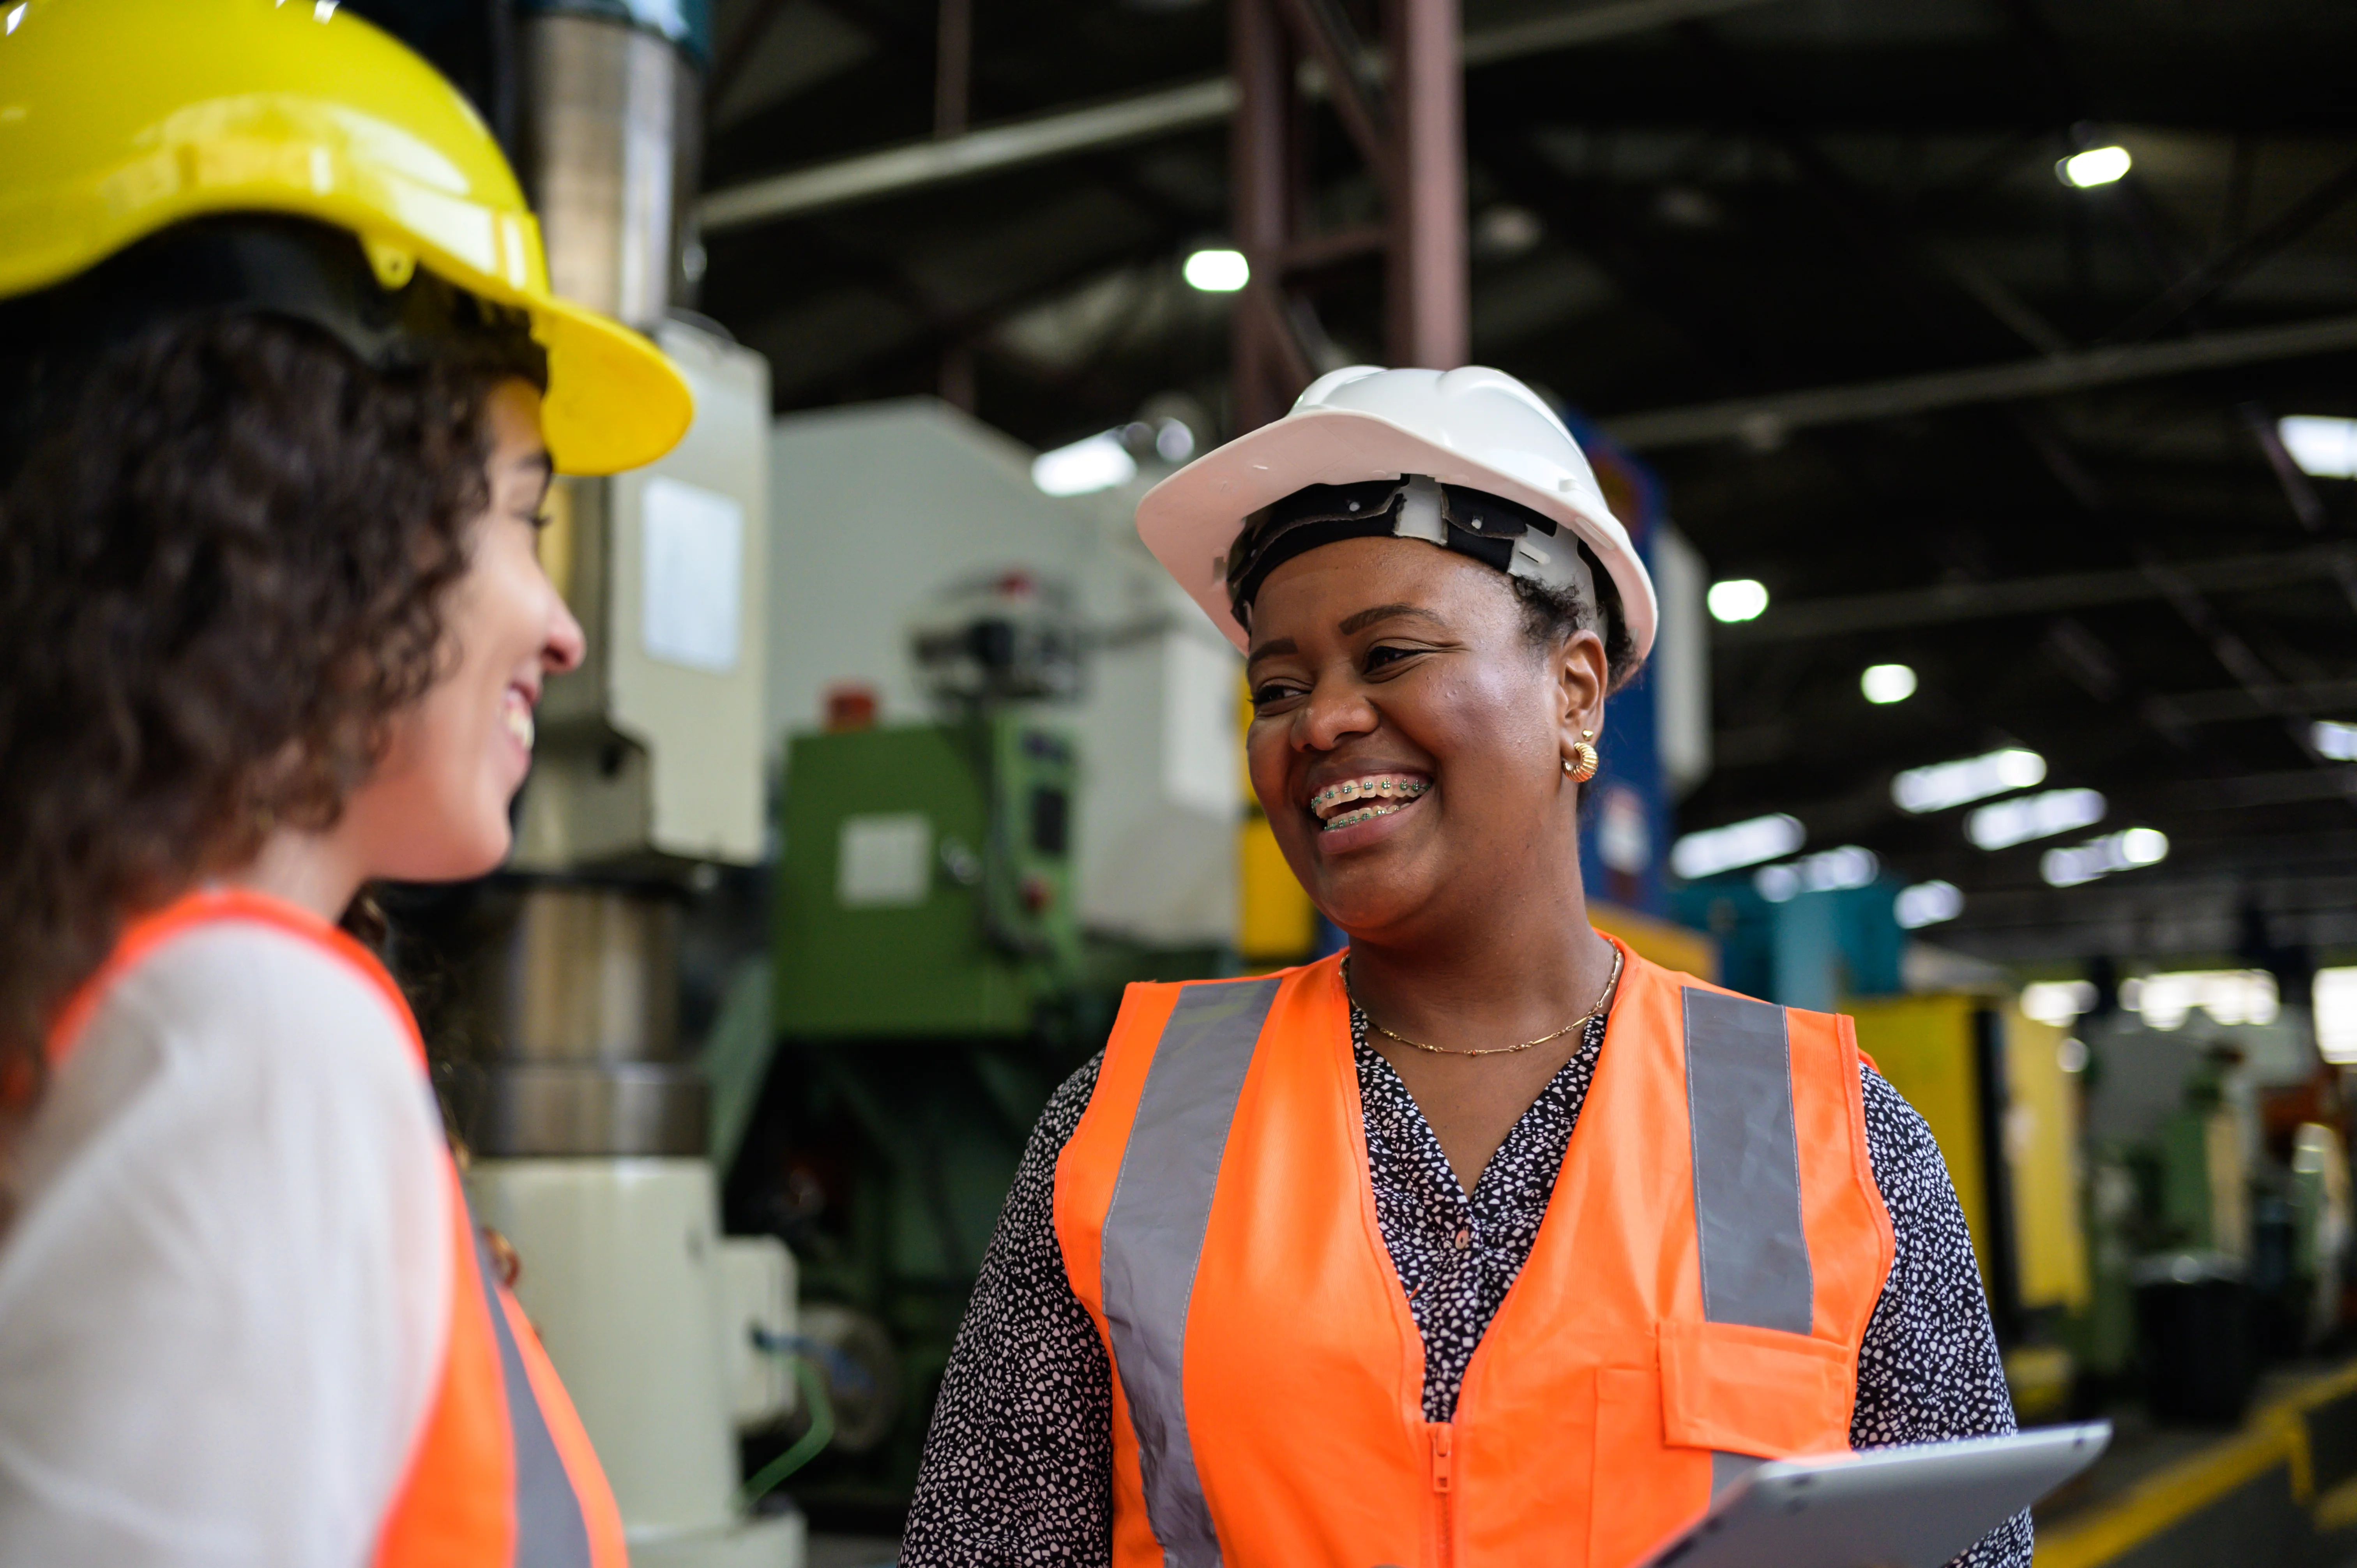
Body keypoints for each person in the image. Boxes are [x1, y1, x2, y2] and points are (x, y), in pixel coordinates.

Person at [902, 365, 2028, 1568]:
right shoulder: (1128, 1123)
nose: (1320, 721)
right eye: (1277, 687)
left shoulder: (1831, 1137)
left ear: (1574, 692)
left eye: (1390, 655)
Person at [0, 3, 690, 1563]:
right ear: (301, 501)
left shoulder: (111, 1015)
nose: (562, 625)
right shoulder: (246, 1038)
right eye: (522, 517)